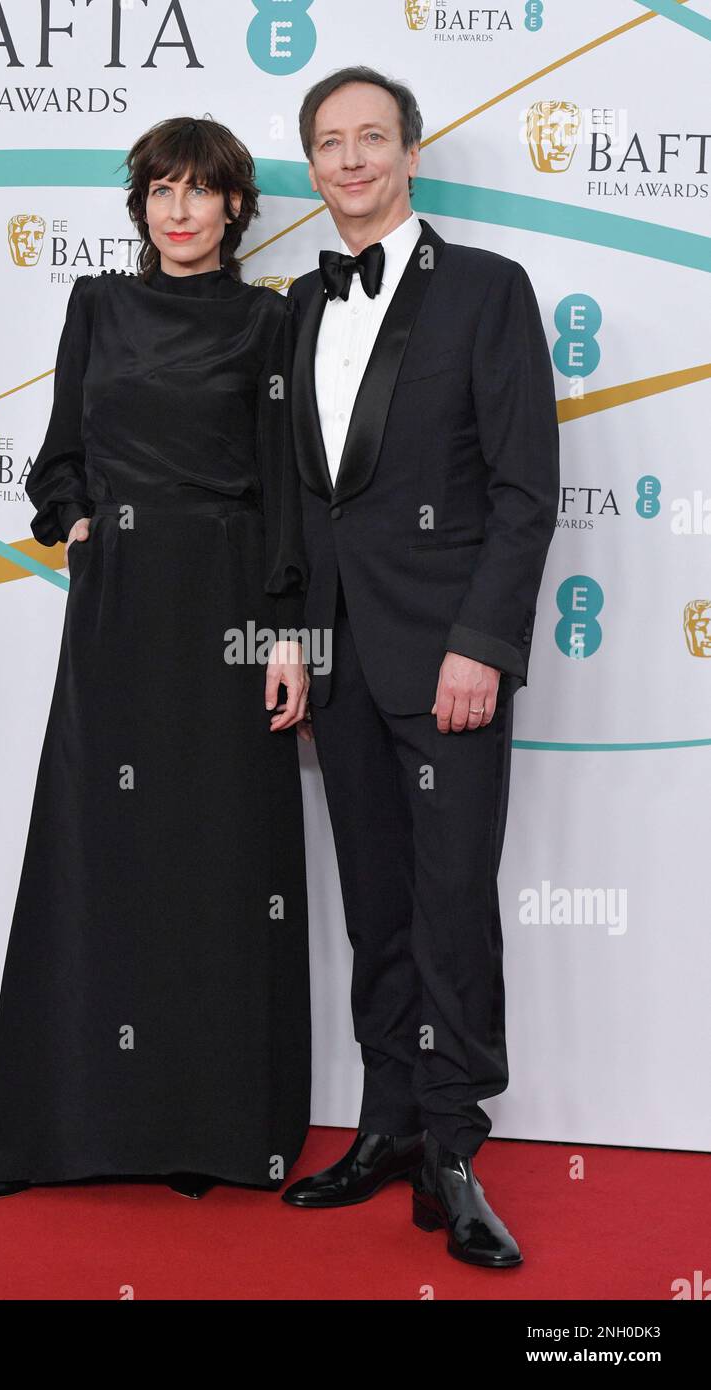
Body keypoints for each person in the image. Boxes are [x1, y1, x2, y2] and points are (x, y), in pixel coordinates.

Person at [0, 116, 311, 1202]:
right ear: (141, 204)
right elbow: (60, 450)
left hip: (227, 599)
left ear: (234, 208)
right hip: (119, 607)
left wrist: (288, 629)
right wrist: (74, 521)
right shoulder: (96, 306)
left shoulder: (269, 321)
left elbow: (288, 482)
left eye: (199, 191)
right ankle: (86, 1119)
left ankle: (203, 1124)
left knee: (212, 859)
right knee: (105, 847)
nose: (178, 209)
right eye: (160, 188)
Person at [280, 68, 560, 1267]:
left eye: (371, 139)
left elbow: (521, 487)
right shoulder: (297, 302)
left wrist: (481, 645)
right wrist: (286, 638)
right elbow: (300, 499)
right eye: (330, 144)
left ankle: (454, 1145)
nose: (351, 160)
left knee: (450, 908)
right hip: (337, 666)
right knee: (376, 908)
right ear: (312, 166)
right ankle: (388, 1120)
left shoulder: (487, 292)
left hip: (446, 661)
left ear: (408, 152)